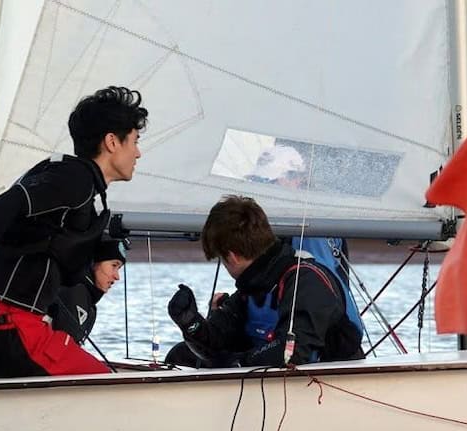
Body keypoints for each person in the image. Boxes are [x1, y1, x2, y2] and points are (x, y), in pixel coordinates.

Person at [0, 86, 147, 378]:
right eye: (134, 141)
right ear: (111, 142)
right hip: (10, 329)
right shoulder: (75, 179)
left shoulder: (64, 178)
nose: (138, 153)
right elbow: (0, 207)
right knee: (111, 388)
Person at [165, 195, 364, 368]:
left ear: (231, 257)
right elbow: (217, 340)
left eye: (222, 260)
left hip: (332, 390)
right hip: (276, 388)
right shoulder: (252, 287)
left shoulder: (306, 281)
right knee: (180, 356)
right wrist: (190, 322)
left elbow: (290, 353)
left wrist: (238, 363)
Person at [248, 144, 363, 336]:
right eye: (259, 182)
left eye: (270, 182)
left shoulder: (310, 229)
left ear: (297, 181)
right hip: (276, 332)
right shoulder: (273, 227)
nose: (262, 190)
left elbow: (319, 297)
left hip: (323, 342)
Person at [51, 237, 127, 344]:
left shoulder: (86, 300)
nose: (117, 276)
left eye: (118, 269)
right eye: (113, 265)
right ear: (92, 263)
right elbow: (61, 350)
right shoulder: (74, 293)